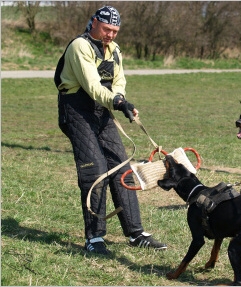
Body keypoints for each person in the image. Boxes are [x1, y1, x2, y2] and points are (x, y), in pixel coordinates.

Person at [55, 6, 167, 255]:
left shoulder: (114, 50)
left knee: (121, 168)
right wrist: (116, 102)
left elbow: (119, 80)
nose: (110, 35)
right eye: (107, 29)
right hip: (76, 111)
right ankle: (94, 238)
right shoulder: (80, 46)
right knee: (95, 170)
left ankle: (136, 234)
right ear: (94, 22)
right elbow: (92, 85)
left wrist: (122, 99)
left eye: (115, 31)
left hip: (101, 110)